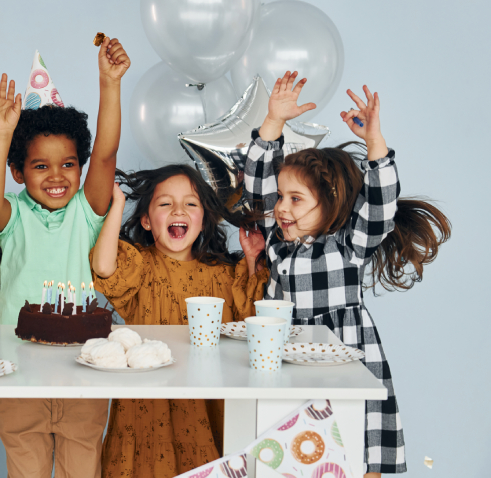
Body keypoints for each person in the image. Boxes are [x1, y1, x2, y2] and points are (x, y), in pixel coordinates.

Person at [244, 72, 451, 477]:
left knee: (356, 450)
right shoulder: (277, 240)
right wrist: (273, 122)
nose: (282, 208)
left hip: (348, 357)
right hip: (287, 358)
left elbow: (381, 203)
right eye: (282, 198)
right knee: (288, 454)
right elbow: (257, 184)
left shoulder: (350, 243)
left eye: (296, 199)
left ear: (330, 204)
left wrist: (375, 142)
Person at [0, 38, 130, 478]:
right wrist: (1, 133)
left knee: (81, 468)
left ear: (80, 168)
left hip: (85, 367)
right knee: (25, 470)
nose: (57, 175)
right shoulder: (15, 215)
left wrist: (109, 84)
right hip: (18, 368)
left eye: (68, 164)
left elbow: (106, 152)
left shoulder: (87, 210)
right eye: (40, 166)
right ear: (18, 172)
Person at [90, 167, 269, 478]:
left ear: (204, 219)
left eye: (191, 203)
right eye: (164, 204)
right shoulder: (140, 266)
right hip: (145, 408)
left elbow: (253, 322)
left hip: (205, 406)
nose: (178, 210)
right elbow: (105, 267)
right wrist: (116, 204)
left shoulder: (225, 274)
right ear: (146, 220)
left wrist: (252, 259)